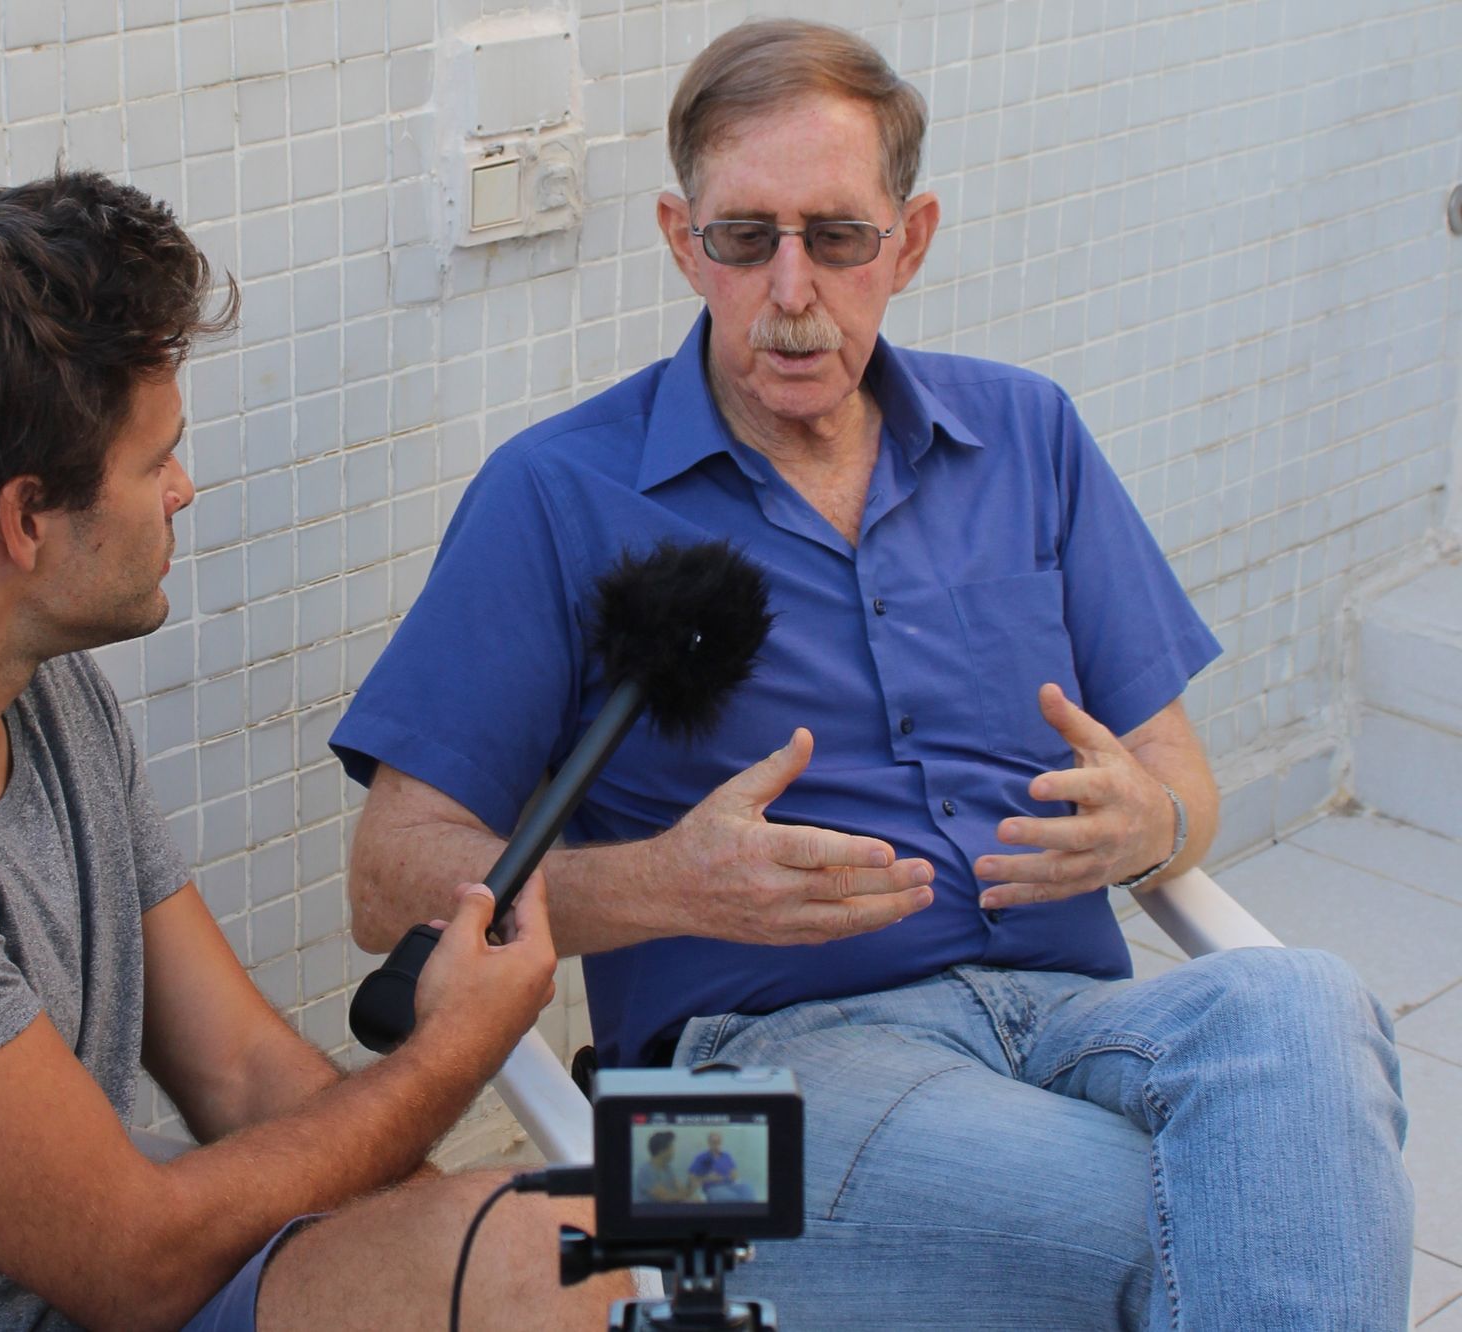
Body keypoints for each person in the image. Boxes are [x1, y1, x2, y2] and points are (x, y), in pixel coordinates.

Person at [333, 20, 1410, 1329]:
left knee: (1311, 1011)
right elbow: (391, 884)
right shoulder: (557, 492)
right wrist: (663, 881)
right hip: (711, 1116)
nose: (792, 290)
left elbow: (1179, 773)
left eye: (838, 237)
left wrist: (1157, 820)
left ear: (911, 241)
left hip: (1059, 1028)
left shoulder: (1028, 434)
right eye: (746, 239)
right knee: (1229, 1208)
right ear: (684, 242)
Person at [0, 171, 630, 1332]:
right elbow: (136, 1267)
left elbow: (236, 1071)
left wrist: (454, 1247)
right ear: (26, 520)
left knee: (553, 1254)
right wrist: (450, 1056)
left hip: (63, 1293)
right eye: (154, 461)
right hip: (48, 1299)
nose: (184, 490)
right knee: (545, 1259)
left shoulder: (36, 689)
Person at [632, 1132, 698, 1204]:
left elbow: (681, 1191)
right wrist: (687, 1196)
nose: (674, 1151)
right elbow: (665, 1197)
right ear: (662, 1151)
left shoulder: (668, 1169)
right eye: (671, 1147)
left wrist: (691, 1184)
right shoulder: (646, 1171)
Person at [686, 1133, 751, 1204]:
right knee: (732, 1198)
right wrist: (707, 1178)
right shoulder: (702, 1157)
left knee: (747, 1188)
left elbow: (735, 1174)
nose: (716, 1145)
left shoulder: (727, 1156)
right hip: (713, 1188)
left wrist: (734, 1176)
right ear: (709, 1143)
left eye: (718, 1142)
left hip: (730, 1185)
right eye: (714, 1142)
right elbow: (691, 1177)